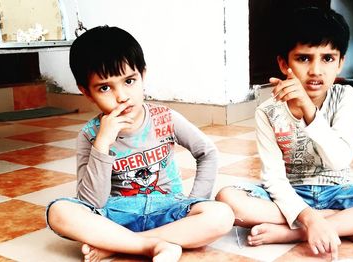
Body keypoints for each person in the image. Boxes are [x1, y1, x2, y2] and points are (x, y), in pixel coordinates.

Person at [215, 7, 353, 260]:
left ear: (340, 63)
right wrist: (309, 216)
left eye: (327, 58)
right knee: (227, 199)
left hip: (338, 191)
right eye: (304, 58)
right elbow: (273, 178)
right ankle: (346, 225)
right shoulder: (268, 111)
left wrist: (309, 111)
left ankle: (295, 233)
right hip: (290, 195)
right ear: (284, 64)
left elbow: (339, 160)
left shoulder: (346, 97)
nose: (316, 70)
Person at [46, 25, 234, 262]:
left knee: (221, 215)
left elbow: (207, 152)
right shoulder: (89, 135)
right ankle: (152, 245)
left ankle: (120, 245)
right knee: (59, 212)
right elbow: (90, 203)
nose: (122, 96)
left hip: (168, 209)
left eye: (129, 81)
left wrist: (193, 201)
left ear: (143, 75)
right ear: (86, 92)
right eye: (105, 87)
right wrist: (102, 144)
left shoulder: (165, 118)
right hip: (117, 215)